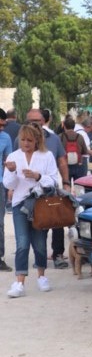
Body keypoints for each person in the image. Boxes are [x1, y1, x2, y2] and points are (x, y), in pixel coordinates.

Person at [3, 121, 58, 296]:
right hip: (20, 204)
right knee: (22, 243)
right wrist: (11, 171)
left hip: (40, 204)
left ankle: (42, 276)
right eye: (22, 140)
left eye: (29, 140)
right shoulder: (13, 156)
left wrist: (37, 176)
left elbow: (53, 180)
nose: (25, 143)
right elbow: (8, 184)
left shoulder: (46, 156)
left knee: (40, 244)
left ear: (37, 140)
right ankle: (20, 282)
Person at [28, 109, 70, 268]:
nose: (33, 124)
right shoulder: (22, 138)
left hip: (51, 188)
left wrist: (66, 182)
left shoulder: (54, 139)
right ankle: (40, 256)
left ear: (43, 121)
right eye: (30, 120)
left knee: (57, 222)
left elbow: (62, 161)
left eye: (37, 121)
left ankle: (58, 254)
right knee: (38, 224)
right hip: (31, 191)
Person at [61, 113, 91, 186]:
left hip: (65, 165)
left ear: (64, 126)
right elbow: (85, 151)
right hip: (79, 165)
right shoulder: (80, 136)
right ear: (74, 126)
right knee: (79, 188)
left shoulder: (61, 137)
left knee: (66, 187)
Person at [0, 112, 12, 272]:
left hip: (0, 184)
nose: (1, 128)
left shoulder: (6, 138)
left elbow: (8, 162)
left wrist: (10, 186)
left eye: (3, 125)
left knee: (0, 222)